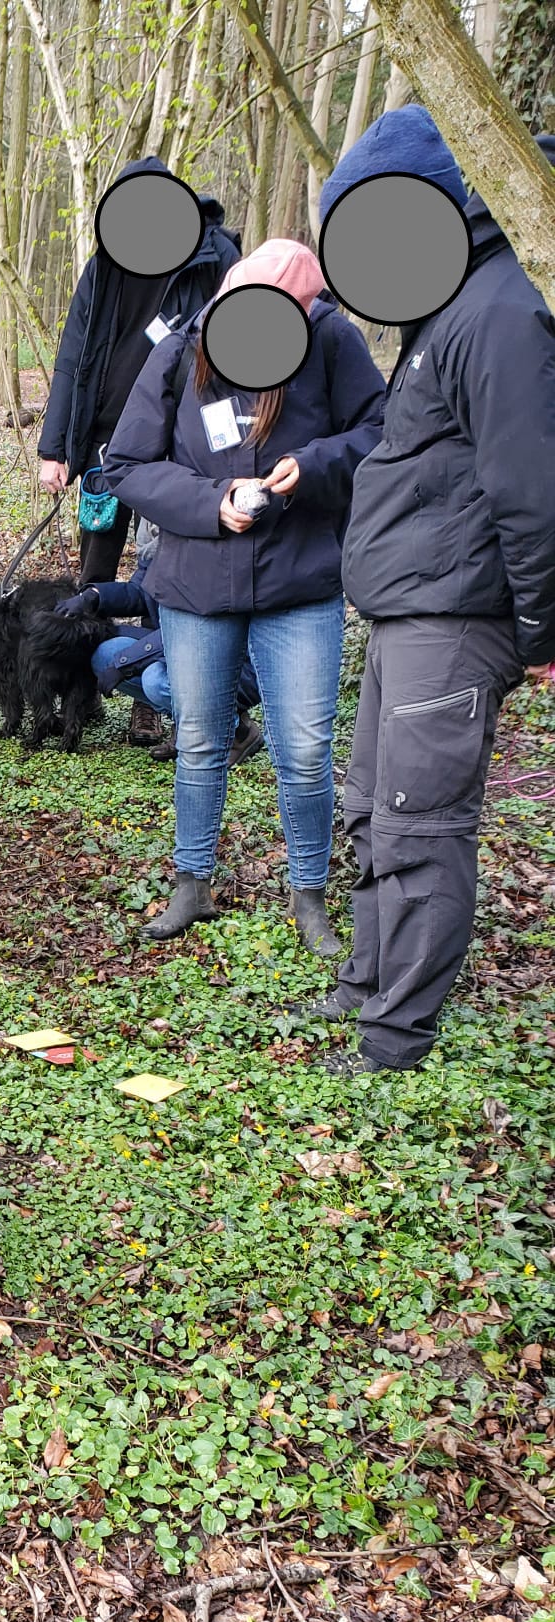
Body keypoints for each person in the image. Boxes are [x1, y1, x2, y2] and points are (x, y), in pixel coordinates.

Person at [309, 111, 555, 1076]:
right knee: (372, 803)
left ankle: (394, 1035)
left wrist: (541, 632)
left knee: (419, 821)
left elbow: (530, 489)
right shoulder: (445, 307)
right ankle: (369, 979)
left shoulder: (500, 309)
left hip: (457, 617)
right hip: (409, 608)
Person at [104, 239, 385, 951]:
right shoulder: (184, 346)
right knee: (199, 738)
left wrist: (314, 464)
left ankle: (309, 896)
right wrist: (210, 501)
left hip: (299, 580)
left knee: (305, 747)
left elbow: (381, 429)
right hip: (197, 582)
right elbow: (128, 464)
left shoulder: (329, 337)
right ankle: (191, 884)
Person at [37, 155, 242, 629]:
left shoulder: (215, 259)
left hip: (178, 446)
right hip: (106, 445)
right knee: (95, 570)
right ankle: (84, 691)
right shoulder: (105, 265)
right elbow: (73, 357)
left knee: (166, 566)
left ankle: (150, 681)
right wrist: (55, 449)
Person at [61, 520, 264, 763]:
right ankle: (191, 724)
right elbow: (142, 590)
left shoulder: (204, 545)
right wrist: (93, 597)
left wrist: (125, 664)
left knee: (155, 679)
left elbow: (190, 630)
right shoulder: (157, 534)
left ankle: (232, 732)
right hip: (179, 647)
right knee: (105, 654)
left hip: (234, 662)